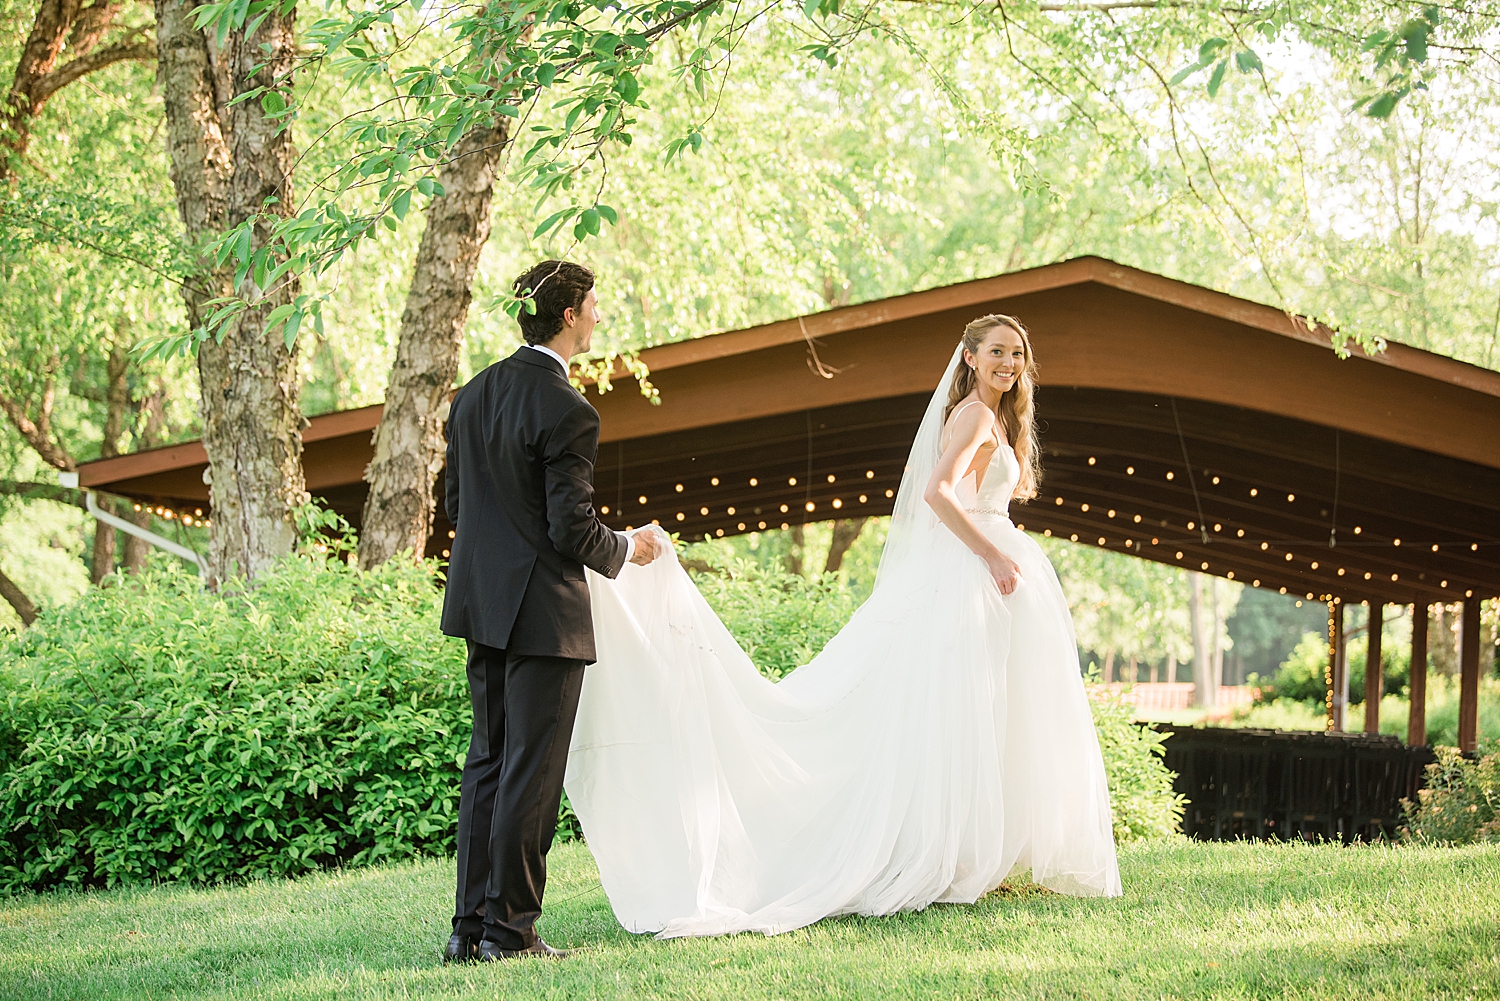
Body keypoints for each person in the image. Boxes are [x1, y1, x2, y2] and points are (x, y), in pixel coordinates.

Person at [566, 313, 1122, 939]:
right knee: (964, 708)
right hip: (974, 572)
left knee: (978, 710)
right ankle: (952, 856)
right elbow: (940, 494)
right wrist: (992, 554)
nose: (1009, 364)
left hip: (980, 572)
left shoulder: (991, 417)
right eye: (996, 352)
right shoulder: (974, 415)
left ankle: (972, 853)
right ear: (968, 357)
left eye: (1017, 354)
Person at [440, 260, 665, 963]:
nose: (599, 314)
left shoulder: (472, 396)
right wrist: (632, 546)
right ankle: (511, 931)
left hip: (482, 606)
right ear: (568, 315)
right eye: (594, 304)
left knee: (487, 765)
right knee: (532, 775)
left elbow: (458, 507)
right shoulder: (570, 410)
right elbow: (572, 529)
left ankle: (468, 929)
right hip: (543, 614)